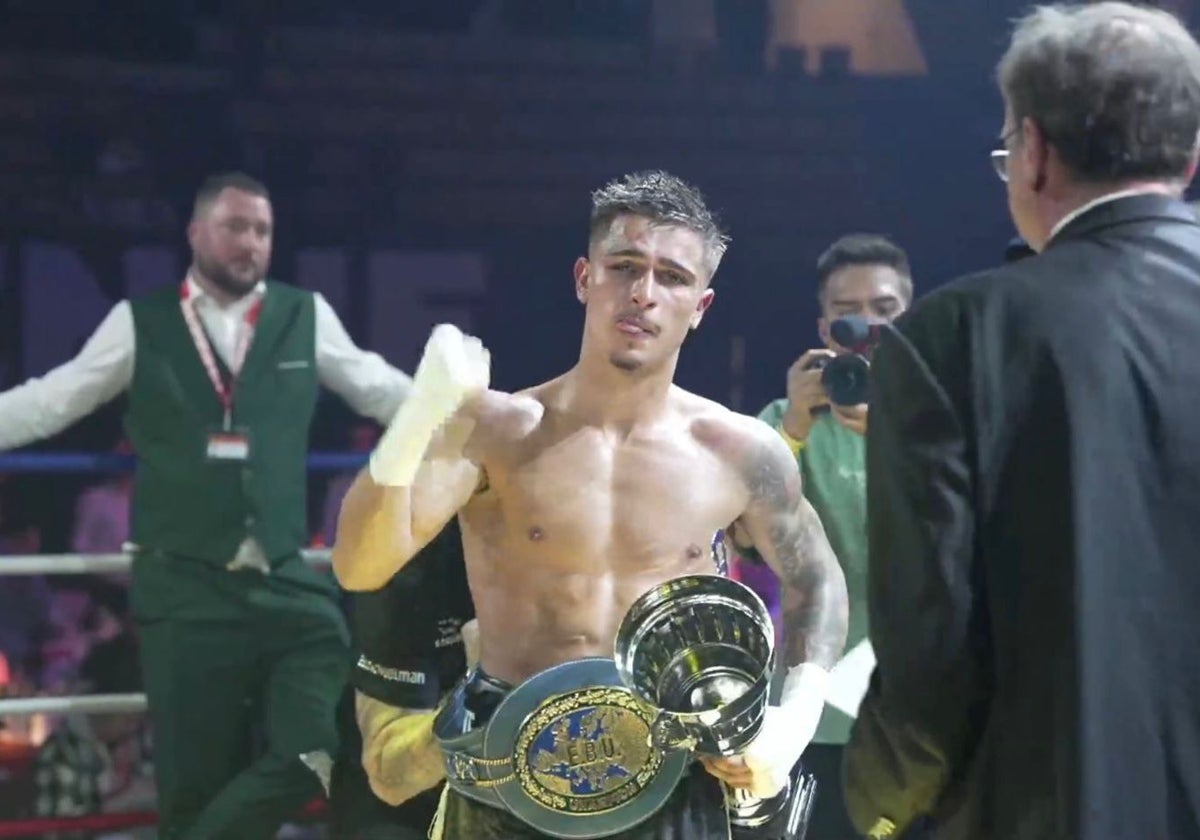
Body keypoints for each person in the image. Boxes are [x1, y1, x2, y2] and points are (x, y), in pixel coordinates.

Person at [334, 170, 849, 838]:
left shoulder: (736, 449)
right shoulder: (496, 431)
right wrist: (415, 421)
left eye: (672, 276)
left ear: (701, 306)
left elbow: (817, 576)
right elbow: (359, 565)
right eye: (625, 266)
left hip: (671, 773)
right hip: (507, 774)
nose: (643, 293)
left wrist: (792, 721)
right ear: (585, 278)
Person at [842, 4, 1200, 839]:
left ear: (1032, 153)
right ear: (1190, 156)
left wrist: (877, 805)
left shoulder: (950, 338)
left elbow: (930, 657)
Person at [0, 171, 413, 839]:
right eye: (235, 226)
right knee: (193, 786)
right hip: (184, 587)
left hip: (283, 580)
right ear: (196, 233)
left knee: (315, 751)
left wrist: (479, 413)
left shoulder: (304, 315)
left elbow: (382, 388)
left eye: (262, 230)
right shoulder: (141, 322)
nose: (250, 242)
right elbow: (53, 398)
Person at [739, 233, 912, 839]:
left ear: (909, 316)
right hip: (814, 704)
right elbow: (740, 540)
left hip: (920, 705)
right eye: (849, 312)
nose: (867, 324)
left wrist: (891, 434)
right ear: (824, 324)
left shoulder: (945, 417)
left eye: (885, 310)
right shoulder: (779, 423)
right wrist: (791, 426)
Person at [328, 518, 475, 840]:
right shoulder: (411, 560)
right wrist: (484, 700)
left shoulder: (598, 569)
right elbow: (391, 776)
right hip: (410, 808)